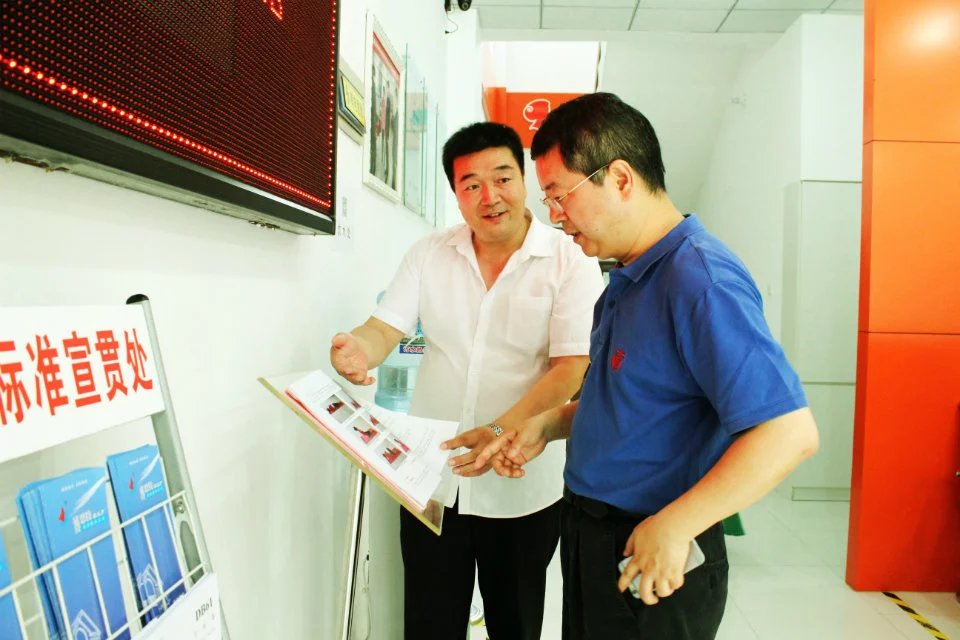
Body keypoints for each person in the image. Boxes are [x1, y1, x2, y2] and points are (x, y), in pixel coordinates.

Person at [473, 92, 820, 640]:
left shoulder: (699, 280)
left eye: (560, 196)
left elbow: (788, 433)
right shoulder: (627, 277)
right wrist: (549, 424)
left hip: (651, 546)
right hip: (591, 533)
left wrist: (678, 524)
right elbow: (632, 401)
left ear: (620, 178)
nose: (555, 216)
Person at [330, 121, 604, 640]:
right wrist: (358, 349)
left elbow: (571, 366)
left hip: (521, 486)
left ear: (523, 179)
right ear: (455, 194)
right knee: (430, 623)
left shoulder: (569, 259)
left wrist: (499, 432)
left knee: (515, 624)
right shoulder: (429, 253)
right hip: (433, 480)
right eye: (470, 184)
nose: (489, 197)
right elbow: (384, 328)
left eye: (502, 178)